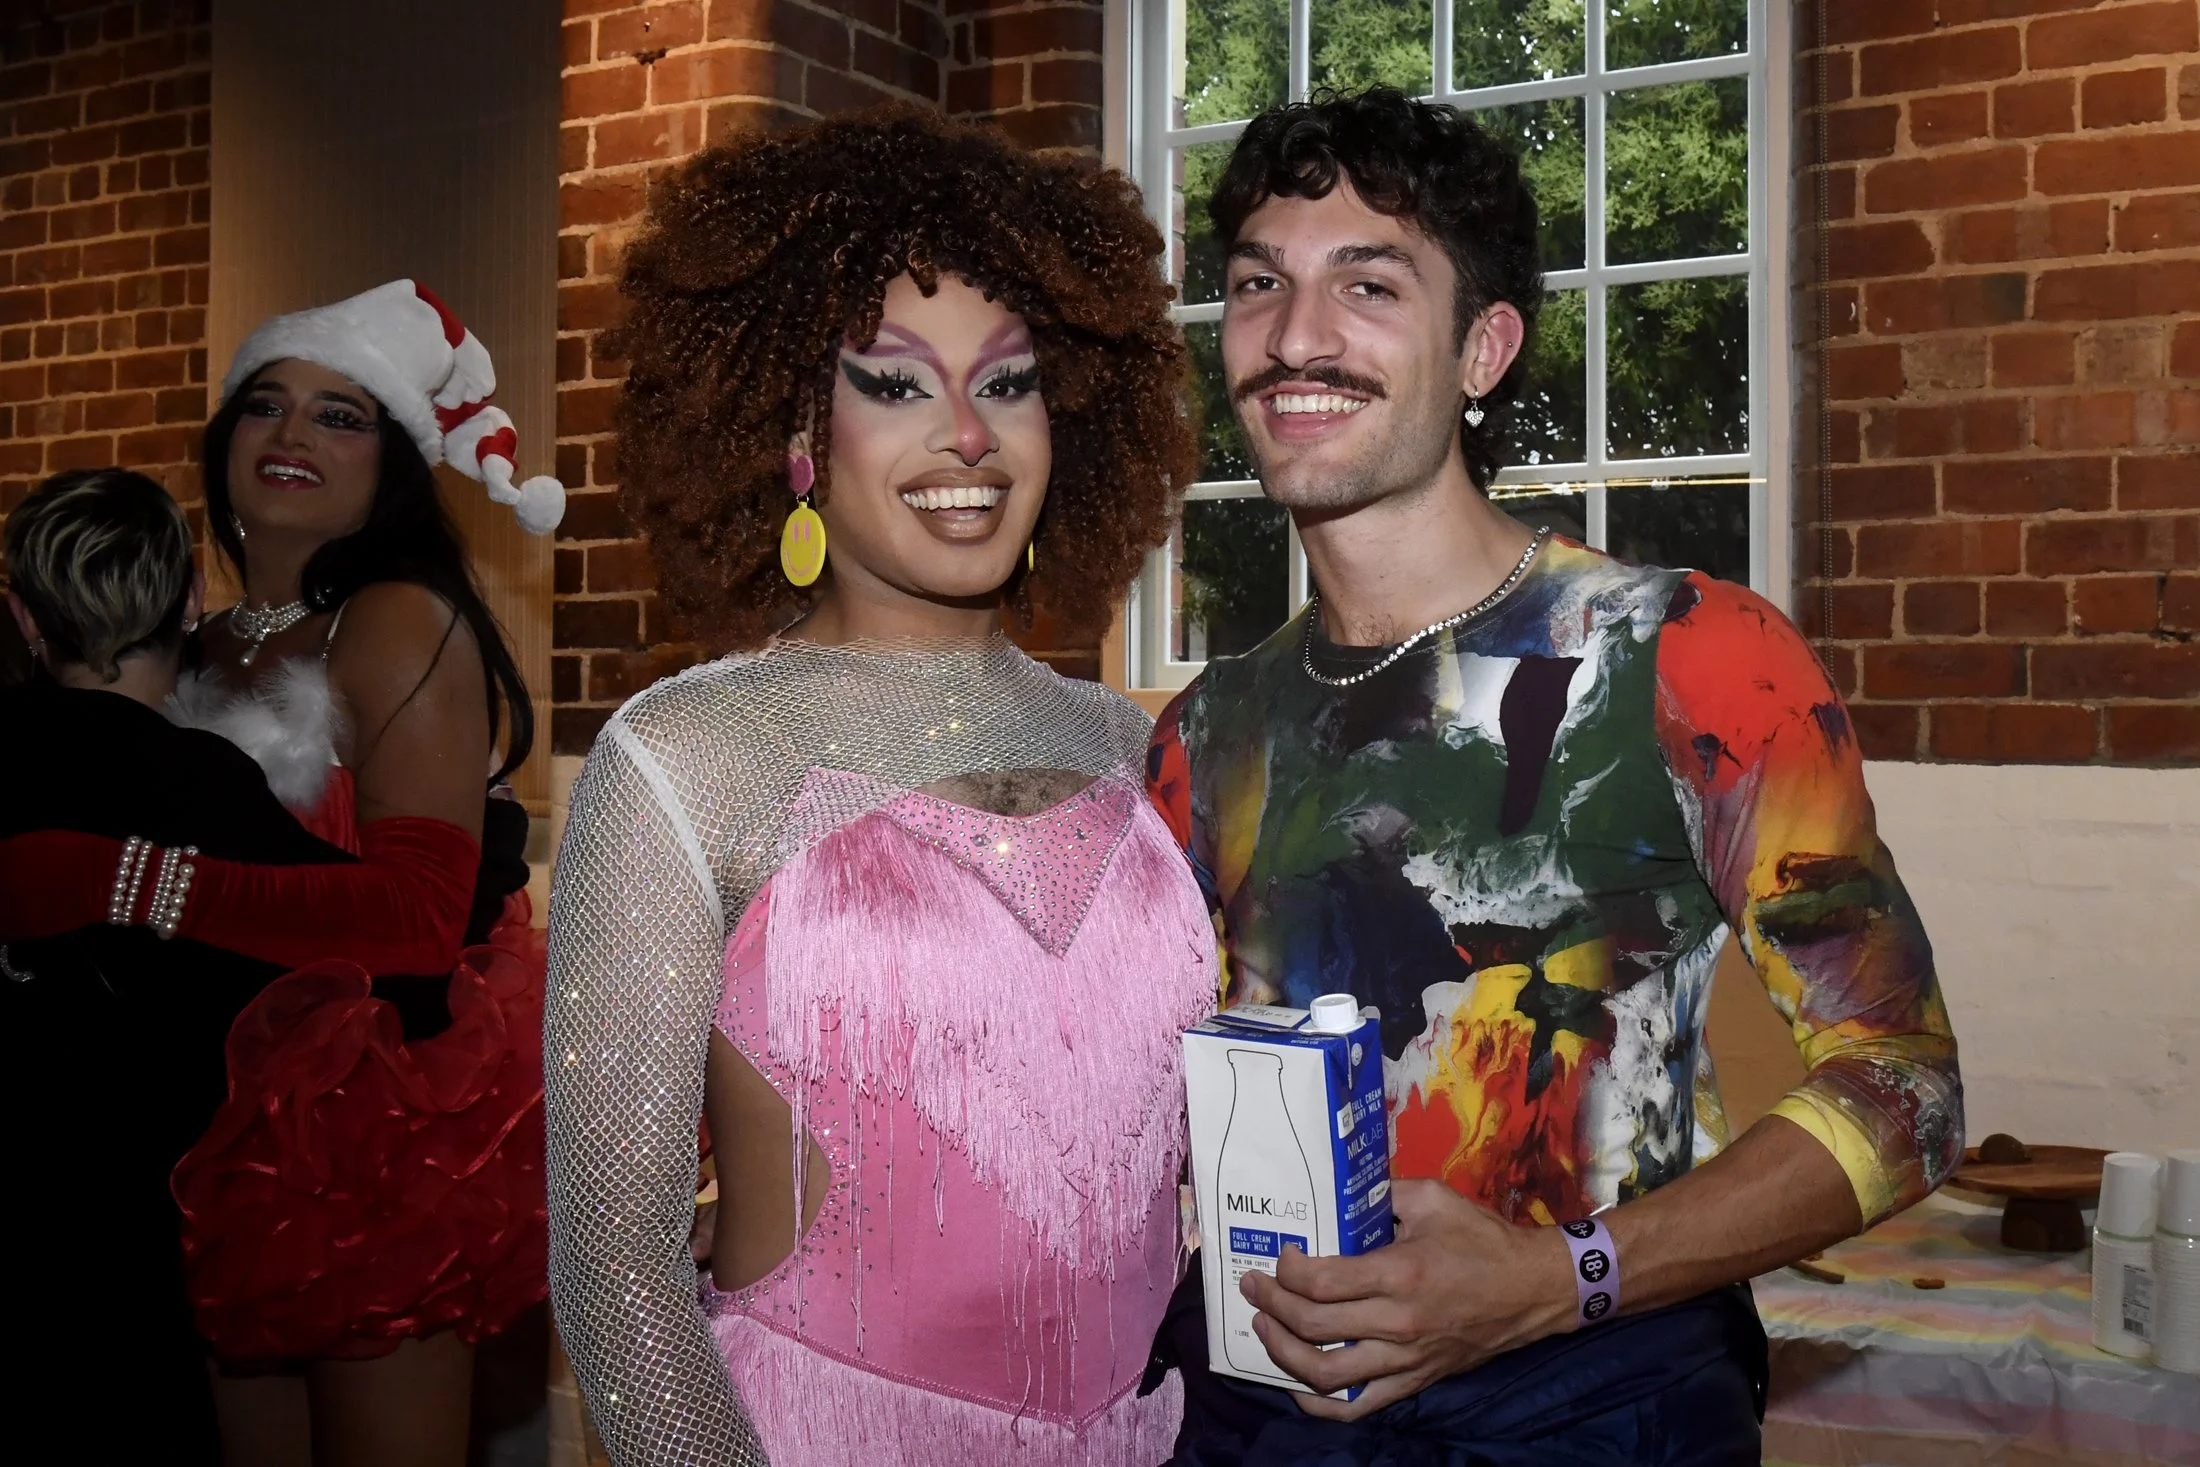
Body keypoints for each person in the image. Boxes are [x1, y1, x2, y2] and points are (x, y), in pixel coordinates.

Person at [1144, 88, 1963, 1464]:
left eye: (1370, 283)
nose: (1295, 337)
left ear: (1484, 347)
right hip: (1254, 1408)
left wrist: (1547, 1277)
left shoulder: (1691, 656)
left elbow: (1906, 1084)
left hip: (1597, 1395)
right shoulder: (1203, 734)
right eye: (1255, 285)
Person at [545, 104, 1212, 1466]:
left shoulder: (1122, 741)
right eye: (897, 384)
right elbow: (617, 1272)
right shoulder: (686, 756)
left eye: (1010, 382)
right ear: (795, 426)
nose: (968, 435)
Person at [0, 281, 563, 1467]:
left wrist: (117, 880)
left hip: (378, 1124)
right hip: (211, 1126)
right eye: (267, 404)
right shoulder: (193, 649)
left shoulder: (399, 618)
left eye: (341, 415)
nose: (294, 434)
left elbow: (416, 919)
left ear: (395, 465)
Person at [0, 469, 352, 1465]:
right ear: (194, 598)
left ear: (25, 619)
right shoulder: (206, 790)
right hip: (137, 1281)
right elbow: (368, 960)